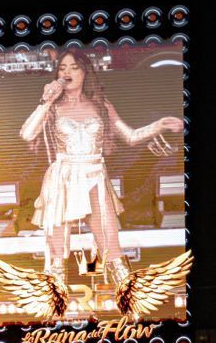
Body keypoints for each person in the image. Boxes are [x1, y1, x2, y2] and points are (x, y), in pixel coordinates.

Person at [19, 47, 183, 286]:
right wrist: (46, 101)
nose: (67, 72)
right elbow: (27, 134)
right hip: (63, 180)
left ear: (85, 72)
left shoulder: (101, 105)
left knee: (111, 248)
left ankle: (129, 299)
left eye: (74, 67)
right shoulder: (53, 107)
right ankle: (55, 302)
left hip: (94, 177)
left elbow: (130, 136)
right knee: (57, 255)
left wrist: (159, 125)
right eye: (62, 68)